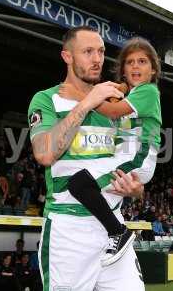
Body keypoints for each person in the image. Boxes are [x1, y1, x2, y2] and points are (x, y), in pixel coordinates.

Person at [28, 26, 145, 291]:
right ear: (67, 56)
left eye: (101, 52)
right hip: (69, 231)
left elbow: (128, 164)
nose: (97, 59)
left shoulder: (117, 107)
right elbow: (45, 153)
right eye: (88, 52)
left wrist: (136, 189)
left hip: (113, 227)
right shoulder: (46, 100)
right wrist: (87, 102)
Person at [59, 36, 162, 265]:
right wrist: (120, 87)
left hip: (138, 157)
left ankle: (119, 233)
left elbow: (113, 112)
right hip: (124, 157)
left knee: (78, 184)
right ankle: (110, 238)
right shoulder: (131, 92)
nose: (136, 66)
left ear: (153, 71)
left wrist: (85, 94)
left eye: (143, 62)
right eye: (130, 62)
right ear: (123, 70)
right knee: (86, 191)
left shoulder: (148, 91)